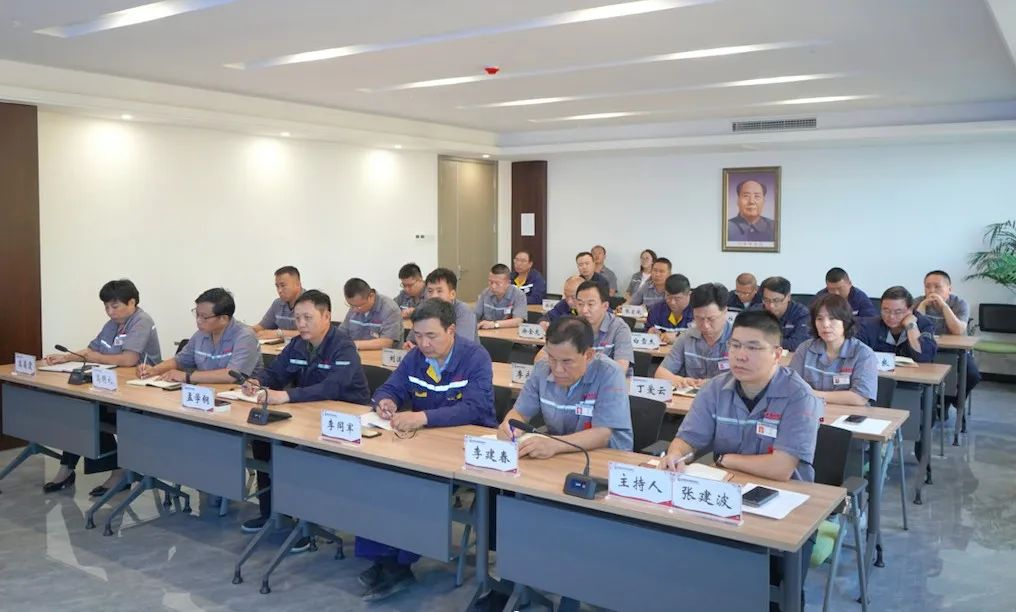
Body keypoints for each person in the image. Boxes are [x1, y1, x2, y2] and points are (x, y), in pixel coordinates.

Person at [659, 310, 820, 609]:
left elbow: (781, 468)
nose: (740, 356)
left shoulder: (799, 396)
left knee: (771, 592)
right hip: (724, 502)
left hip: (786, 511)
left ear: (777, 354)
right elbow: (689, 438)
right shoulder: (715, 388)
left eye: (753, 347)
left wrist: (724, 459)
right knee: (679, 563)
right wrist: (675, 454)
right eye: (735, 345)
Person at [357, 299, 495, 601]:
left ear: (452, 330)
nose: (424, 343)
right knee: (376, 476)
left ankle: (398, 564)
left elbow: (475, 408)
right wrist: (386, 401)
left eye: (431, 336)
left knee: (415, 487)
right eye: (418, 336)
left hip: (463, 448)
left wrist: (422, 417)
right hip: (423, 444)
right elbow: (390, 387)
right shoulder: (416, 357)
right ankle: (383, 559)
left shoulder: (475, 357)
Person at [239, 290, 370, 546]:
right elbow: (276, 372)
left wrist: (286, 396)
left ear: (327, 317)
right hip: (308, 415)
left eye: (308, 318)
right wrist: (257, 381)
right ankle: (271, 513)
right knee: (264, 441)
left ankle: (306, 524)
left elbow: (332, 388)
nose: (301, 324)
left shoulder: (343, 346)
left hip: (344, 422)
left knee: (297, 454)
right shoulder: (298, 344)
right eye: (297, 318)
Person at [41, 279, 161, 495]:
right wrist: (66, 357)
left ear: (132, 302)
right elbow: (91, 350)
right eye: (106, 307)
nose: (110, 312)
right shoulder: (112, 324)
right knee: (78, 412)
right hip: (114, 388)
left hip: (139, 394)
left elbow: (128, 360)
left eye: (115, 306)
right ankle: (67, 469)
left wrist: (96, 357)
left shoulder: (141, 321)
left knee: (88, 414)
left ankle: (119, 471)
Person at [499, 316, 633, 454]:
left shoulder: (610, 373)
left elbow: (603, 434)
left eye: (567, 361)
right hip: (560, 454)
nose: (558, 369)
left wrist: (554, 445)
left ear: (588, 355)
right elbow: (520, 413)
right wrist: (509, 427)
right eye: (552, 358)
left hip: (606, 456)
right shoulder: (542, 369)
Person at [139, 288, 259, 384]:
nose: (198, 321)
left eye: (204, 317)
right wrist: (153, 370)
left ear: (223, 318)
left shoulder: (245, 336)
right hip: (207, 392)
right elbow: (179, 361)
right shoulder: (201, 334)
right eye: (197, 314)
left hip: (239, 397)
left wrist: (187, 376)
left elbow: (231, 375)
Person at [788, 293, 878, 406]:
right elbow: (791, 386)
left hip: (849, 414)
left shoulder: (863, 353)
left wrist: (814, 394)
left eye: (832, 318)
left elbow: (860, 397)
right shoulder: (805, 348)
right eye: (819, 319)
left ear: (845, 322)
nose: (825, 325)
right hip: (810, 411)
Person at [535, 281, 633, 372]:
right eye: (580, 304)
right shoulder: (570, 325)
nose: (584, 310)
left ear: (605, 306)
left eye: (591, 304)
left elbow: (620, 368)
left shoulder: (619, 328)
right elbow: (540, 359)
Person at [915, 269, 980, 400]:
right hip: (926, 350)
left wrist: (944, 306)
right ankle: (932, 403)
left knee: (973, 375)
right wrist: (922, 306)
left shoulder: (959, 304)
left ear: (949, 289)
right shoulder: (918, 302)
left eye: (937, 287)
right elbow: (914, 328)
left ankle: (951, 401)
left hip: (955, 352)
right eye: (927, 286)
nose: (931, 291)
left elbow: (958, 331)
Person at [656, 283, 734, 388]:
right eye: (699, 318)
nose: (705, 326)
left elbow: (747, 381)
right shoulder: (687, 337)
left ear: (725, 312)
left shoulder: (739, 339)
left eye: (711, 319)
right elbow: (660, 373)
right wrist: (681, 380)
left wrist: (713, 384)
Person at [857, 286, 938, 363]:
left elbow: (924, 357)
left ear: (910, 310)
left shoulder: (924, 324)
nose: (891, 316)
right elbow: (857, 355)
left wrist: (911, 326)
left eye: (898, 312)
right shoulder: (869, 326)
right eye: (886, 310)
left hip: (913, 373)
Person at [750, 276, 811, 351]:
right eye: (766, 300)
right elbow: (744, 337)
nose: (771, 305)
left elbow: (798, 344)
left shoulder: (802, 314)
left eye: (776, 300)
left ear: (788, 297)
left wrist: (763, 340)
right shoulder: (755, 311)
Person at [341, 278, 403, 350]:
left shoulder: (390, 309)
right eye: (350, 305)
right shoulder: (355, 305)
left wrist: (353, 344)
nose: (354, 310)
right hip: (357, 354)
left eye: (358, 306)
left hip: (382, 355)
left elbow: (386, 342)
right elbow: (341, 333)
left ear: (371, 296)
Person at [423, 267, 476, 341]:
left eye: (439, 291)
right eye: (430, 291)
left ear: (452, 294)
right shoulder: (425, 309)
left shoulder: (464, 311)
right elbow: (412, 338)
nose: (433, 296)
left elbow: (461, 344)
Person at [252, 266, 304, 340]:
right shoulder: (277, 303)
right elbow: (261, 327)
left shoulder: (310, 303)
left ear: (298, 284)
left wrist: (279, 333)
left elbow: (313, 332)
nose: (279, 290)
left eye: (283, 286)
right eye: (277, 286)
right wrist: (241, 330)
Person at [475, 263, 527, 329]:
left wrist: (495, 324)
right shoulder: (485, 293)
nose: (493, 286)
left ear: (508, 283)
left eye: (498, 283)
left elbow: (518, 321)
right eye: (491, 282)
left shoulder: (518, 295)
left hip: (508, 333)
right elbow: (475, 315)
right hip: (487, 332)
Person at [645, 273, 693, 344]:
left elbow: (704, 340)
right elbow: (647, 332)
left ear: (689, 295)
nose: (672, 302)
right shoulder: (656, 310)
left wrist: (678, 338)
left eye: (677, 298)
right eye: (668, 296)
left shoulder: (698, 313)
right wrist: (650, 333)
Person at [726, 179, 776, 243]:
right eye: (746, 196)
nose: (751, 201)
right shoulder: (727, 227)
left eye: (757, 196)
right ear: (738, 201)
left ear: (764, 201)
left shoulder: (774, 227)